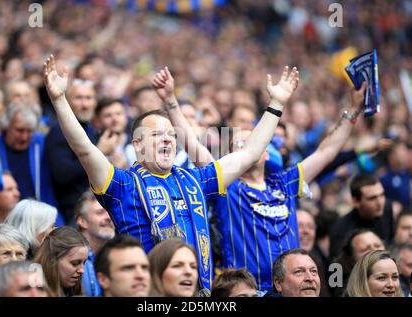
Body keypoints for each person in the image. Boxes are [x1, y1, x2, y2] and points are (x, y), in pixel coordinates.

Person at [43, 55, 296, 294]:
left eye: (170, 136)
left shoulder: (195, 180)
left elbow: (251, 153)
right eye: (156, 135)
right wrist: (59, 100)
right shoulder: (122, 185)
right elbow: (84, 150)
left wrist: (277, 104)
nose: (166, 140)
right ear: (137, 145)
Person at [157, 63, 366, 290]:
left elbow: (326, 152)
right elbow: (193, 146)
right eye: (238, 144)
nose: (246, 146)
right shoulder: (227, 187)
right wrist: (170, 100)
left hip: (291, 291)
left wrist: (353, 111)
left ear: (265, 152)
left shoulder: (285, 183)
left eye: (252, 141)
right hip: (246, 291)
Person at [45, 77, 98, 224]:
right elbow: (62, 174)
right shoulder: (58, 131)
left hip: (95, 209)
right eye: (79, 98)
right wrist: (100, 152)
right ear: (67, 101)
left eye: (89, 98)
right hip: (72, 215)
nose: (85, 104)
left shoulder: (91, 130)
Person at [0, 103, 60, 220]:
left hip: (40, 215)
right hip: (5, 217)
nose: (24, 137)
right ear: (7, 126)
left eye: (29, 131)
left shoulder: (42, 144)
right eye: (19, 130)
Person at [329, 174, 395, 260]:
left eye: (382, 195)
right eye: (372, 198)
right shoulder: (340, 230)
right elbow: (336, 269)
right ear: (355, 201)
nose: (380, 202)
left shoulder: (386, 208)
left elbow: (390, 241)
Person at [75, 190, 115, 296]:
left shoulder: (120, 254)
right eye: (100, 212)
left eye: (109, 212)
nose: (108, 217)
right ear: (82, 221)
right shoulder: (72, 257)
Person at [33, 226, 89, 297]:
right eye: (74, 263)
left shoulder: (72, 291)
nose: (82, 270)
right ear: (52, 259)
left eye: (84, 263)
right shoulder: (32, 292)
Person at [332, 229, 385, 297]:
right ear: (352, 260)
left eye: (377, 246)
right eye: (366, 249)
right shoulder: (347, 292)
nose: (375, 251)